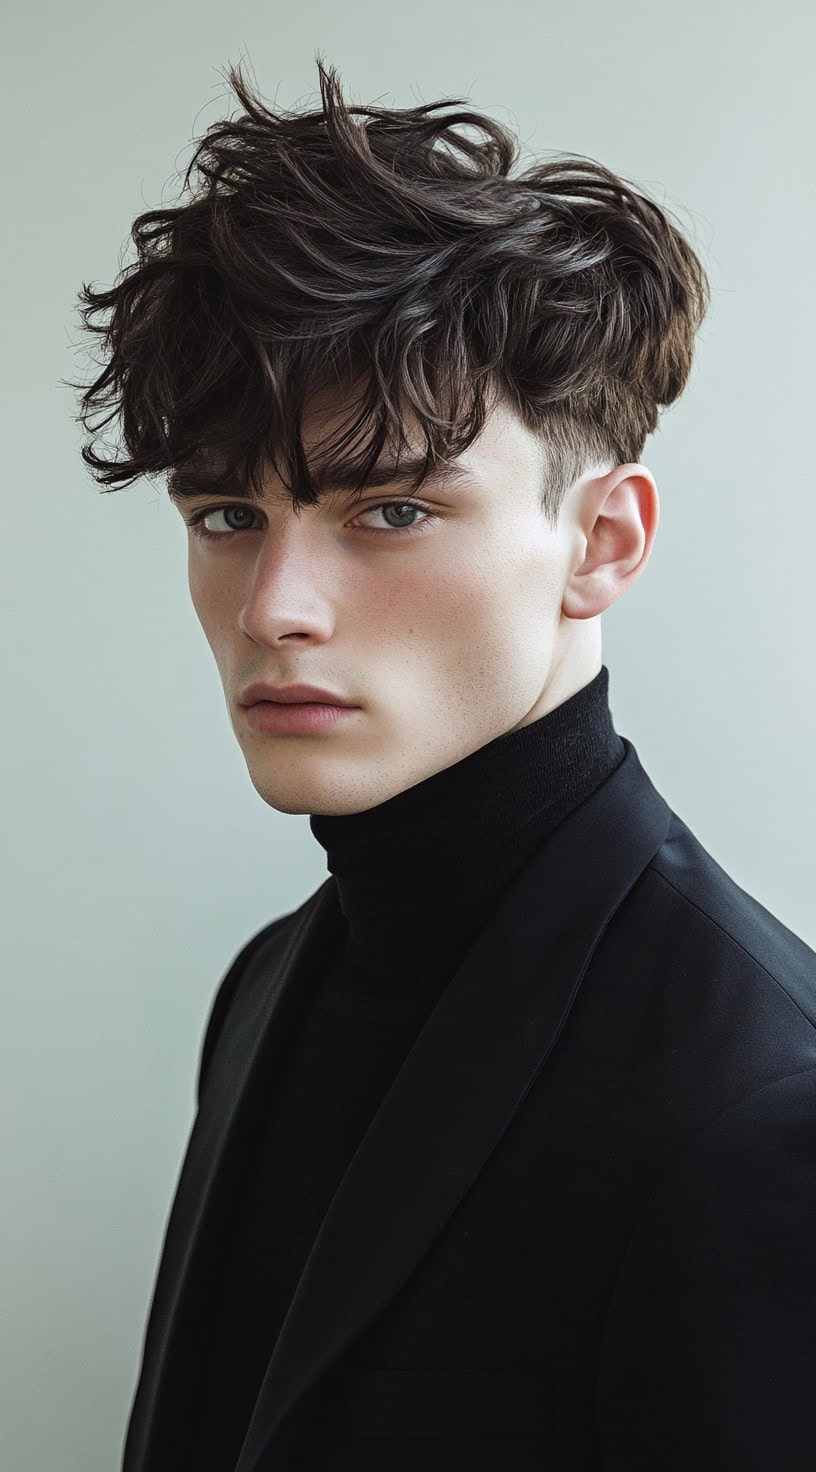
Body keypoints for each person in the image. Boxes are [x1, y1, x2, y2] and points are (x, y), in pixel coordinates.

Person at [70, 54, 816, 1472]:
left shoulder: (760, 1112)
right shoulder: (274, 978)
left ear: (603, 542)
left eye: (393, 508)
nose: (274, 604)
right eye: (228, 512)